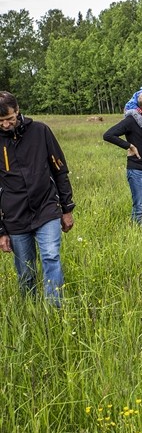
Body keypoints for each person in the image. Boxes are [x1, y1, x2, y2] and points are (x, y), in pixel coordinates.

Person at [0, 91, 75, 307]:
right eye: (1, 121)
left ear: (18, 111)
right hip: (14, 215)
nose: (6, 125)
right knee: (26, 268)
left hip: (46, 208)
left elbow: (59, 170)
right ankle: (31, 309)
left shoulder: (40, 131)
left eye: (9, 119)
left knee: (51, 256)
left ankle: (54, 308)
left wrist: (67, 208)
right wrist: (1, 231)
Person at [104, 91, 142, 224]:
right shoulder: (131, 121)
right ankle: (139, 235)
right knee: (140, 208)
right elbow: (108, 135)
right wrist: (129, 146)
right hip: (139, 171)